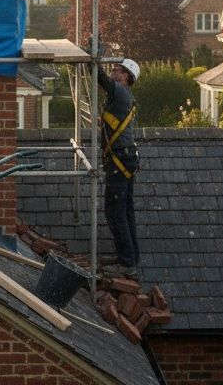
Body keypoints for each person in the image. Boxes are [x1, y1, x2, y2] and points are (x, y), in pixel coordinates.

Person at [97, 57, 141, 279]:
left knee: (114, 212)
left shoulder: (121, 92)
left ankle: (126, 263)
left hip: (119, 161)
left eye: (117, 69)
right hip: (125, 159)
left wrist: (93, 59)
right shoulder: (120, 98)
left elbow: (101, 79)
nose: (113, 71)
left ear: (126, 76)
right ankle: (129, 257)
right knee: (125, 211)